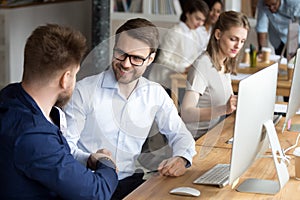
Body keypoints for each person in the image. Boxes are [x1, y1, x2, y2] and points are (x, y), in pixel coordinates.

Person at [63, 18, 196, 199]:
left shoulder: (155, 94)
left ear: (150, 59)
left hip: (129, 184)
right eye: (121, 54)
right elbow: (65, 149)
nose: (125, 64)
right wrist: (91, 158)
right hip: (88, 184)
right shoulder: (84, 91)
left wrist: (182, 158)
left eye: (136, 58)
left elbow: (181, 134)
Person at [0, 24, 118, 200]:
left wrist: (88, 160)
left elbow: (52, 161)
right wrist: (106, 163)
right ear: (66, 78)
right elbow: (97, 193)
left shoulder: (9, 95)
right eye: (75, 74)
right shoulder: (34, 135)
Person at [181, 11, 250, 139]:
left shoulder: (224, 62)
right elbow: (186, 113)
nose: (238, 46)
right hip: (194, 140)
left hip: (212, 134)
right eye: (233, 39)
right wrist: (224, 109)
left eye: (242, 41)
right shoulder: (203, 65)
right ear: (218, 34)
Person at [148, 0, 209, 93]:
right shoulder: (175, 32)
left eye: (203, 20)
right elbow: (162, 60)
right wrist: (184, 68)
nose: (200, 23)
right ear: (188, 14)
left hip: (179, 81)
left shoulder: (193, 33)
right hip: (163, 83)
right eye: (197, 18)